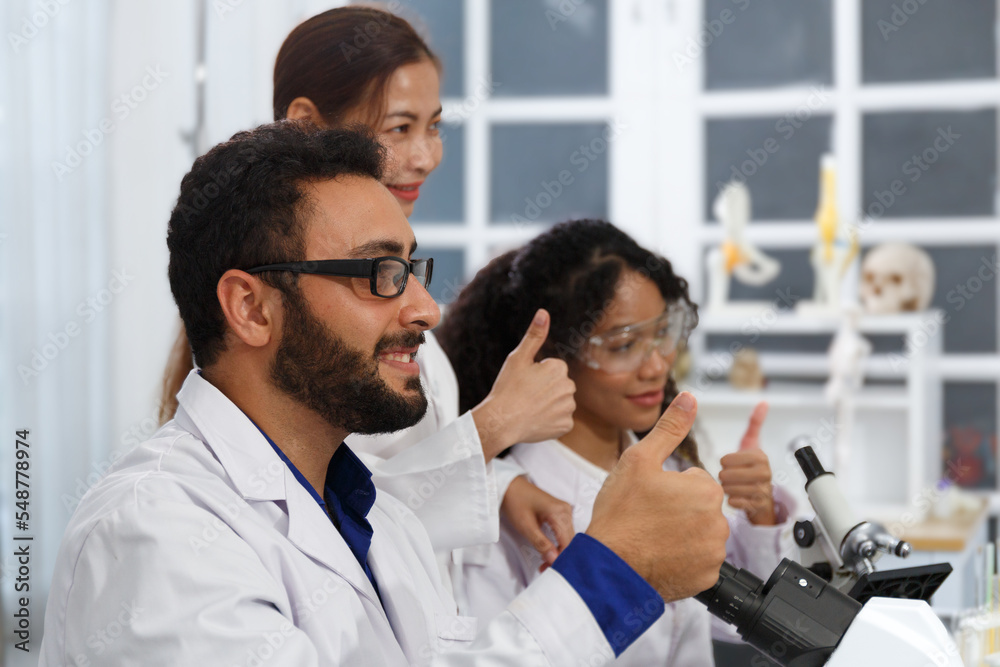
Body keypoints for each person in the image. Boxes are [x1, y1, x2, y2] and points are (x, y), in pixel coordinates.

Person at [39, 123, 731, 665]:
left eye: (412, 268)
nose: (426, 309)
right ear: (251, 308)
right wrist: (610, 576)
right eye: (380, 273)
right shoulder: (154, 531)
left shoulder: (378, 520)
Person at [158, 6, 576, 562]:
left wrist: (499, 484)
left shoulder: (377, 311)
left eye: (434, 127)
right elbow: (339, 513)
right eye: (399, 128)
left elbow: (368, 486)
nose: (425, 157)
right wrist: (495, 426)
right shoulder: (305, 345)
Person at [437, 219, 798, 665]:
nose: (656, 366)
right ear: (554, 354)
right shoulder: (511, 511)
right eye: (623, 345)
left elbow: (728, 618)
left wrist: (759, 514)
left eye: (662, 332)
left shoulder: (665, 466)